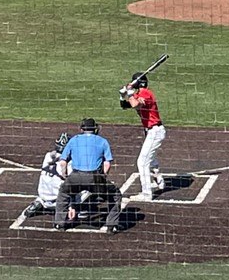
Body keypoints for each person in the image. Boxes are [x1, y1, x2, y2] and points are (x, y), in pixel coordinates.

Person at [54, 118, 122, 233]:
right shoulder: (102, 141)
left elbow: (63, 162)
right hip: (94, 177)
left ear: (82, 129)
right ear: (95, 129)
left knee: (63, 192)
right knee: (115, 195)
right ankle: (111, 226)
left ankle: (59, 224)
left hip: (75, 176)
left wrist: (66, 177)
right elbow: (107, 163)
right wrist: (103, 177)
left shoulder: (74, 140)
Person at [119, 72, 166, 202]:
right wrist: (122, 95)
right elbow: (125, 105)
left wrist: (129, 92)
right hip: (151, 131)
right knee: (150, 157)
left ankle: (146, 194)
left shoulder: (145, 93)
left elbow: (135, 104)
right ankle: (158, 178)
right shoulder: (139, 94)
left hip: (155, 131)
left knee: (142, 162)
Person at [22, 132, 72, 218]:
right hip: (59, 201)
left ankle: (39, 202)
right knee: (84, 189)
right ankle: (73, 209)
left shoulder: (47, 156)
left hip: (42, 197)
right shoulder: (70, 163)